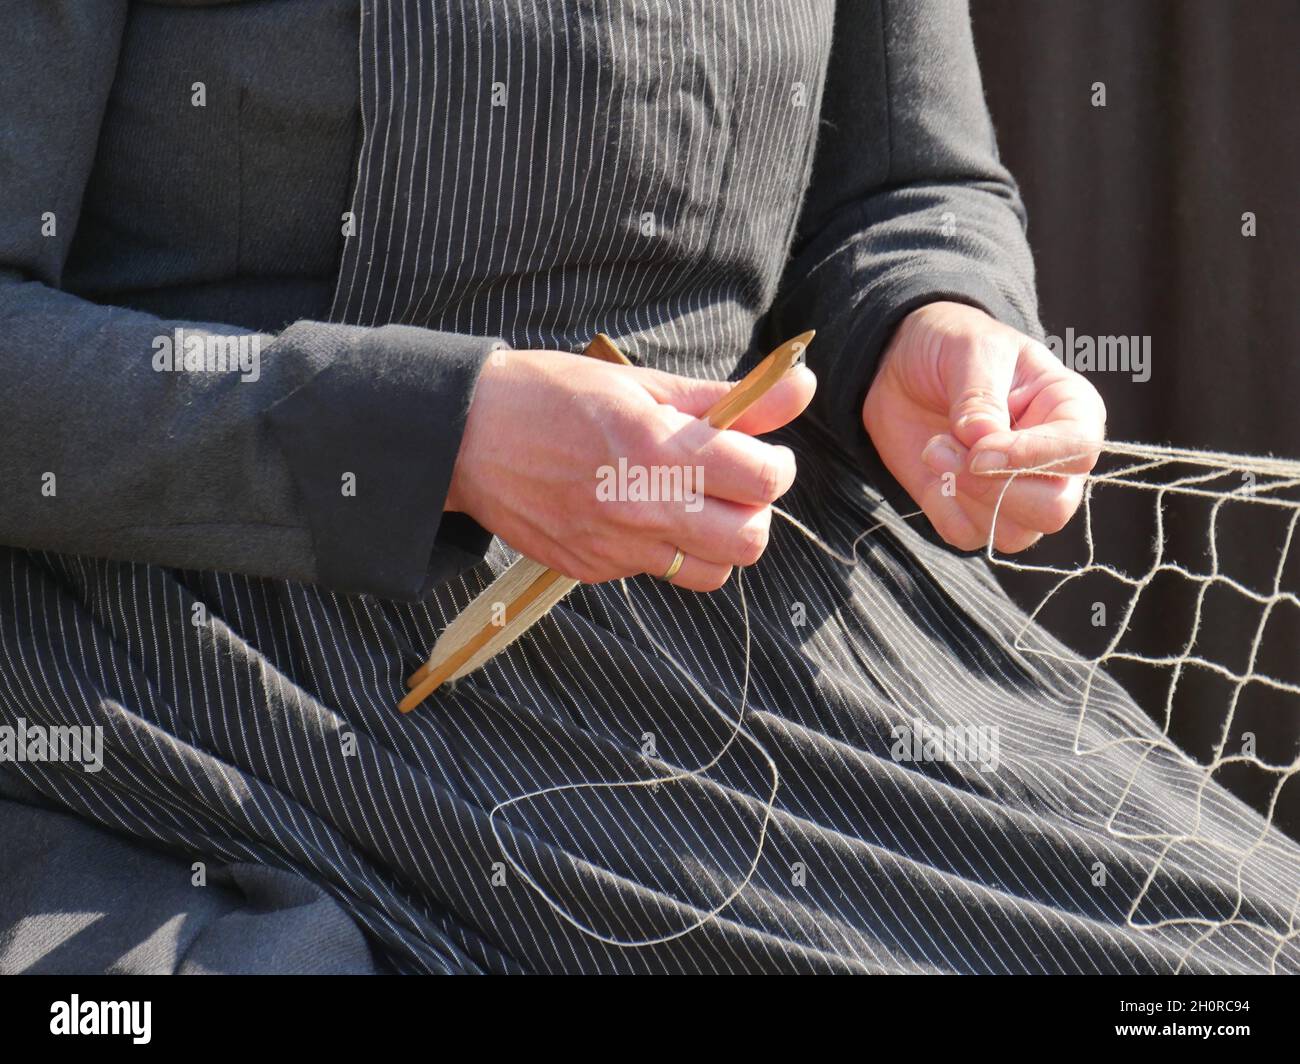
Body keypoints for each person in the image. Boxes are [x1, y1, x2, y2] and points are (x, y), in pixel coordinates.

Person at [0, 0, 1294, 974]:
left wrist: (929, 325)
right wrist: (434, 433)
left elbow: (905, 186)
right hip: (175, 658)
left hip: (733, 650)